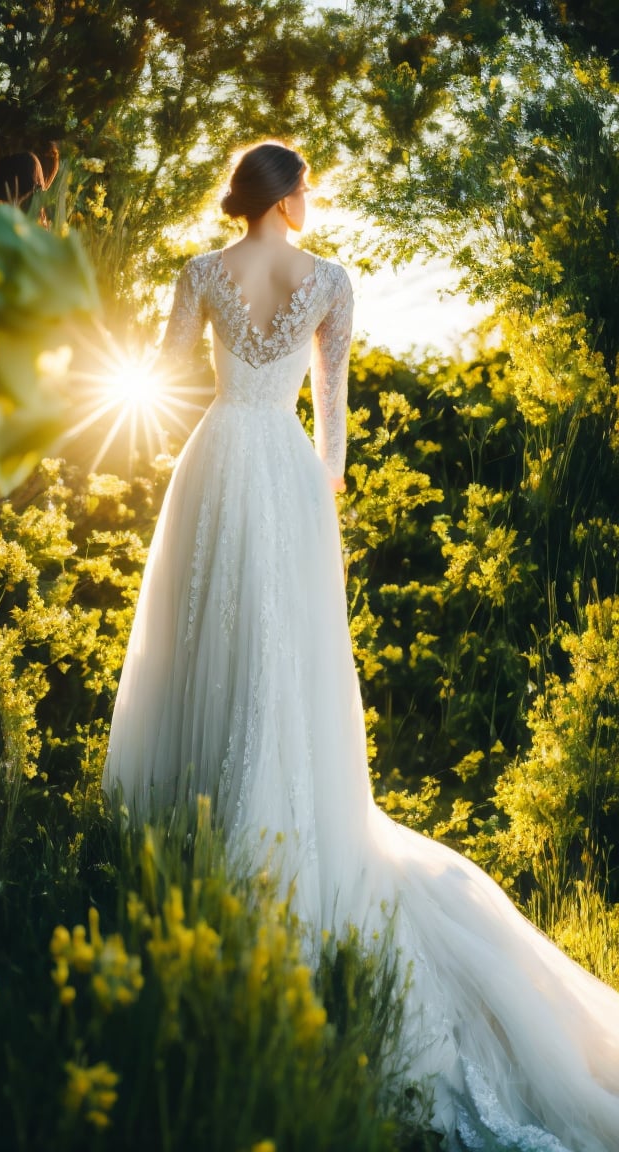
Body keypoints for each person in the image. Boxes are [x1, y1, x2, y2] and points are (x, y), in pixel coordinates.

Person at [102, 141, 619, 1150]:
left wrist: (202, 445)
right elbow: (331, 416)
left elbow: (165, 382)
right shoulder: (331, 280)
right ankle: (282, 838)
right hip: (285, 469)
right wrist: (317, 488)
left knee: (203, 646)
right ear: (291, 198)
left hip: (215, 460)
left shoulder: (200, 273)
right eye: (307, 188)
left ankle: (194, 859)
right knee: (282, 665)